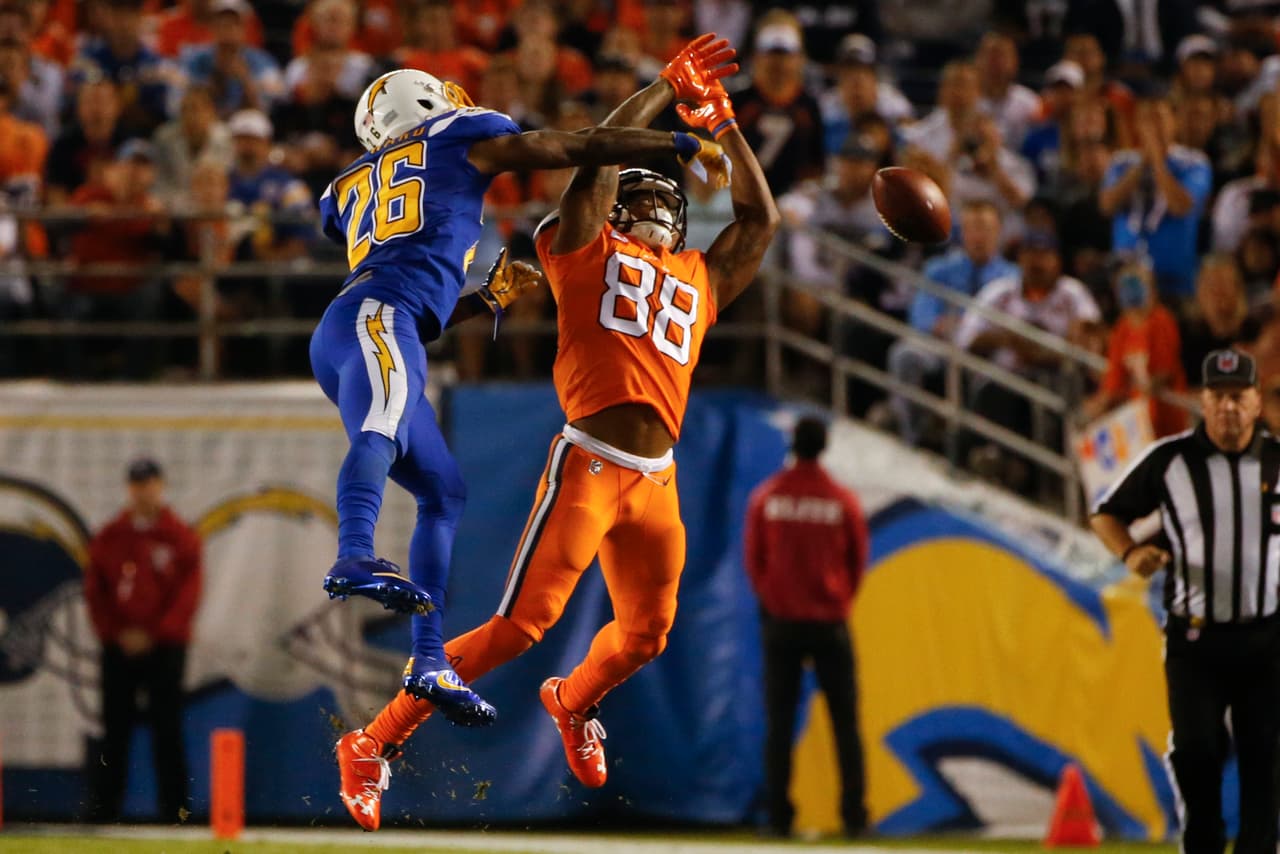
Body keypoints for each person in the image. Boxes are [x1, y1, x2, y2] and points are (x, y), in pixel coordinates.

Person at [329, 38, 777, 830]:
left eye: (668, 206)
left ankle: (573, 702)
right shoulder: (582, 251)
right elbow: (593, 160)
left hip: (658, 477)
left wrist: (726, 122)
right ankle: (372, 741)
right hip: (592, 467)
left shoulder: (699, 281)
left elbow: (759, 219)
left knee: (647, 635)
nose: (659, 212)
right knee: (521, 625)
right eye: (642, 201)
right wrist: (660, 98)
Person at [1091, 349, 1280, 854]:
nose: (1228, 408)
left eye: (1238, 396)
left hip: (1266, 638)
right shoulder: (1171, 461)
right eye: (1218, 397)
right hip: (1195, 636)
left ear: (1256, 402)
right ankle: (1203, 842)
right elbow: (1106, 514)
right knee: (1197, 751)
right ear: (1202, 401)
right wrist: (1130, 552)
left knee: (1265, 757)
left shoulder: (1278, 461)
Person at [744, 416, 869, 839]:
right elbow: (857, 561)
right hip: (831, 623)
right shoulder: (842, 499)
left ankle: (779, 817)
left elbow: (754, 559)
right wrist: (839, 602)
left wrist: (775, 601)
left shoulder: (768, 497)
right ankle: (855, 816)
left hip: (781, 623)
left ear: (793, 445)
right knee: (845, 723)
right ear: (824, 446)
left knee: (779, 723)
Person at [83, 459, 202, 823]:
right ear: (128, 489)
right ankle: (104, 814)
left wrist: (157, 633)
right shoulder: (111, 536)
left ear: (160, 486)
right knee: (113, 730)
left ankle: (175, 814)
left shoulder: (179, 536)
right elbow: (96, 591)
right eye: (136, 484)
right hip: (119, 646)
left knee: (167, 729)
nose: (142, 491)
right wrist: (116, 632)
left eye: (148, 484)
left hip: (164, 648)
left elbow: (188, 594)